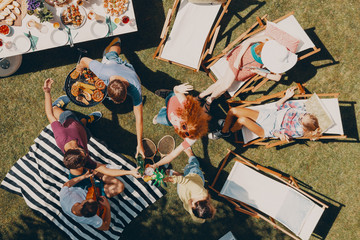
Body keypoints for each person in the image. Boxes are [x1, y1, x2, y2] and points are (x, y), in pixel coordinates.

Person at [43, 78, 141, 199]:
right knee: (84, 129)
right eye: (85, 154)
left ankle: (59, 106)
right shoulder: (83, 160)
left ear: (75, 149)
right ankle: (86, 120)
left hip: (69, 121)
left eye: (83, 152)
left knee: (58, 112)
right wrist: (130, 172)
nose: (86, 152)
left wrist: (47, 92)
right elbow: (106, 170)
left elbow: (49, 114)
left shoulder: (61, 135)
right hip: (82, 133)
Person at [75, 37, 145, 158]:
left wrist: (140, 144)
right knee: (111, 55)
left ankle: (115, 44)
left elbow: (139, 119)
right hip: (113, 65)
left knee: (114, 56)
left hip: (125, 70)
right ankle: (115, 43)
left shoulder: (136, 88)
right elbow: (84, 60)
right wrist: (80, 66)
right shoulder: (102, 71)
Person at [198, 37, 297, 112]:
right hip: (241, 56)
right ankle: (209, 101)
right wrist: (238, 59)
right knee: (226, 84)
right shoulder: (268, 41)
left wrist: (261, 73)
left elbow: (277, 77)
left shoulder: (277, 62)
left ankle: (201, 96)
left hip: (247, 69)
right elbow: (248, 41)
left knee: (224, 81)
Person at [208, 87, 322, 141]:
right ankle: (226, 129)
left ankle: (226, 131)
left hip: (268, 128)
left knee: (241, 120)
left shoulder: (297, 131)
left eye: (301, 119)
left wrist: (279, 136)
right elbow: (278, 106)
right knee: (233, 111)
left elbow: (276, 132)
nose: (300, 116)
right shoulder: (300, 110)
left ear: (302, 125)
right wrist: (286, 97)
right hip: (268, 115)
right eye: (304, 115)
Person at [150, 83, 211, 169]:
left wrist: (156, 165)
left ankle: (163, 110)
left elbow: (172, 156)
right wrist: (177, 88)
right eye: (182, 123)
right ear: (188, 116)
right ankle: (167, 95)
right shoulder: (187, 106)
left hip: (169, 118)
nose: (177, 123)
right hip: (172, 100)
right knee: (169, 98)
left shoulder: (191, 139)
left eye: (180, 128)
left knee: (159, 119)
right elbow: (177, 91)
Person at [163, 148, 216, 223]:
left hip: (182, 189)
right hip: (193, 174)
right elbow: (184, 181)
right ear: (198, 203)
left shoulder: (198, 214)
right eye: (192, 205)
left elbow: (201, 220)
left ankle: (178, 174)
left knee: (181, 181)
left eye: (192, 209)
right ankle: (190, 153)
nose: (190, 205)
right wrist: (171, 179)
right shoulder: (199, 191)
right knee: (193, 165)